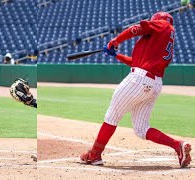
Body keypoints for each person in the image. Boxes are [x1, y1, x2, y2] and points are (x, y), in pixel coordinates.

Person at [80, 12, 192, 168]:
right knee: (141, 129)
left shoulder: (163, 24)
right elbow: (136, 62)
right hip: (154, 84)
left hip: (138, 80)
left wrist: (116, 40)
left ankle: (94, 155)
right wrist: (116, 55)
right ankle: (177, 145)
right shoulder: (162, 38)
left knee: (112, 116)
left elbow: (137, 28)